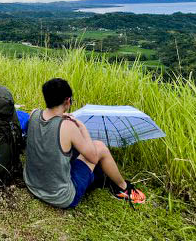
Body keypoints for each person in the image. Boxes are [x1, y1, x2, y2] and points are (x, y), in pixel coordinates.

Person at [24, 78, 146, 208]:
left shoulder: (34, 114)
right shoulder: (67, 126)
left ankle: (104, 179)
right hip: (61, 197)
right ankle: (124, 187)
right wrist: (82, 128)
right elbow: (92, 157)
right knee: (99, 146)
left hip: (32, 183)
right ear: (67, 101)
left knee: (75, 150)